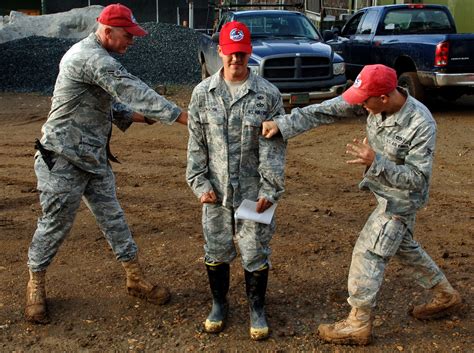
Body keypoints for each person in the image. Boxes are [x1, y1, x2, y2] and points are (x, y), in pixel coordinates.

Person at [261, 64, 462, 345]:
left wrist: (375, 162)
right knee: (403, 248)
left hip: (400, 201)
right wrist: (282, 125)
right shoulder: (372, 101)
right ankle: (445, 294)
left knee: (369, 252)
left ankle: (358, 321)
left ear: (383, 98)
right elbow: (327, 109)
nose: (360, 105)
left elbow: (417, 179)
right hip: (384, 192)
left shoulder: (420, 123)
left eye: (364, 101)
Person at [25, 3, 188, 324]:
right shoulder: (90, 57)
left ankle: (134, 278)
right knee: (54, 225)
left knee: (113, 218)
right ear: (108, 31)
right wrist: (180, 116)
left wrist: (139, 117)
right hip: (62, 158)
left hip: (93, 158)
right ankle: (35, 284)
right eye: (128, 35)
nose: (132, 41)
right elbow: (129, 88)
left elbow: (106, 104)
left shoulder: (100, 56)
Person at [186, 21, 286, 340]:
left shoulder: (268, 95)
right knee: (216, 249)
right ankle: (219, 304)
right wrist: (199, 183)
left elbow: (275, 147)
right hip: (215, 192)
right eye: (230, 54)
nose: (235, 61)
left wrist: (270, 189)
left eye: (241, 54)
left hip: (253, 191)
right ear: (220, 52)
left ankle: (257, 308)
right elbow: (196, 142)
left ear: (249, 52)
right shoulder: (202, 94)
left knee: (255, 249)